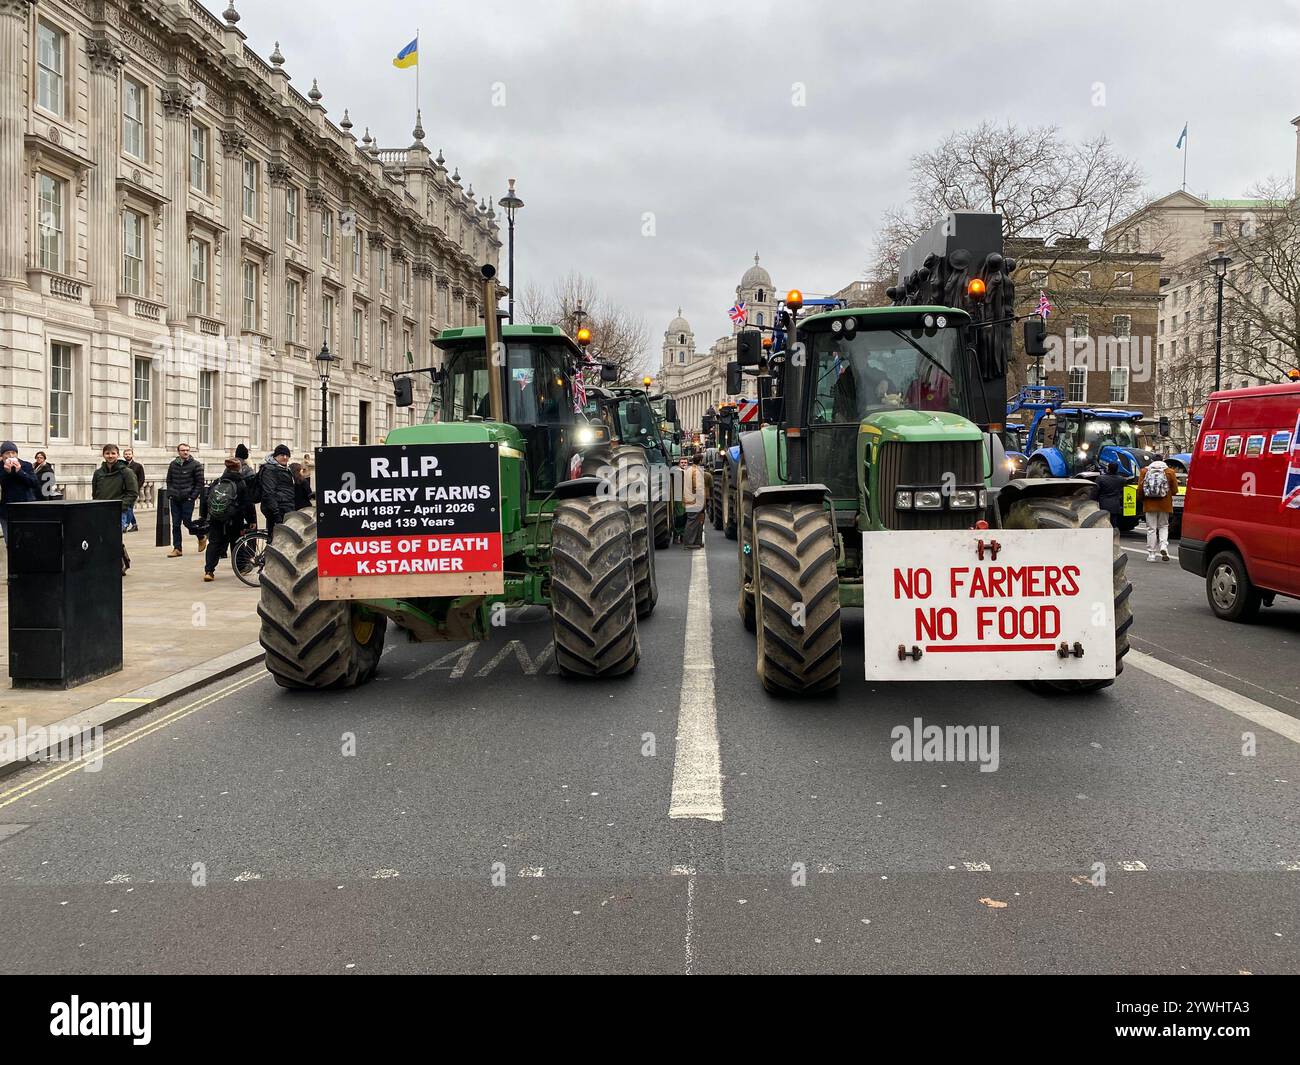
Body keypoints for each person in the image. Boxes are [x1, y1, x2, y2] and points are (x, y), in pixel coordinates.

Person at [92, 443, 139, 576]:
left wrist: (121, 506)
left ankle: (119, 564)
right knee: (103, 538)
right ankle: (116, 562)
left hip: (118, 510)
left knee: (114, 538)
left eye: (113, 453)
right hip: (101, 509)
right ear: (103, 455)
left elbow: (132, 493)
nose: (110, 456)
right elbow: (95, 492)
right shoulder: (98, 473)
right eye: (107, 453)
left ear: (118, 455)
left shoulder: (126, 472)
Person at [202, 458, 251, 582]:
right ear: (238, 468)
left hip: (216, 518)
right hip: (234, 519)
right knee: (237, 542)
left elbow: (207, 499)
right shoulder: (241, 482)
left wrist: (205, 516)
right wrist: (251, 520)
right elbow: (247, 504)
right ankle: (241, 567)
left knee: (214, 544)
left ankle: (209, 571)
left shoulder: (218, 481)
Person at [165, 443, 206, 557]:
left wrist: (192, 496)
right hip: (175, 498)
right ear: (178, 451)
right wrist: (170, 493)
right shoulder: (173, 464)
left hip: (187, 498)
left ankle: (201, 535)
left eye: (187, 450)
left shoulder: (196, 465)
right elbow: (169, 480)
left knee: (187, 521)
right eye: (183, 450)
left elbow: (200, 483)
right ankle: (177, 548)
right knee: (176, 524)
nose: (185, 452)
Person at [1138, 452, 1180, 562]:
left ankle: (1151, 554)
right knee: (1163, 526)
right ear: (1163, 461)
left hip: (1149, 504)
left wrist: (1142, 499)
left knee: (1151, 529)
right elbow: (1175, 490)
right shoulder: (1170, 472)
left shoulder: (1144, 471)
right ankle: (1163, 546)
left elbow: (1140, 489)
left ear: (1152, 461)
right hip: (1164, 504)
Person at [0, 440, 39, 543]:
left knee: (25, 541)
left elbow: (34, 483)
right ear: (2, 455)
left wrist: (20, 472)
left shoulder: (26, 465)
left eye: (13, 453)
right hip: (6, 510)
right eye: (7, 453)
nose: (10, 455)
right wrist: (6, 472)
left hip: (24, 508)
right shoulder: (1, 467)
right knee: (10, 542)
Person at [258, 444, 296, 538]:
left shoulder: (284, 468)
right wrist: (276, 513)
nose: (285, 457)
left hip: (285, 507)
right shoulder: (270, 469)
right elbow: (268, 493)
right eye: (282, 455)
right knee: (278, 537)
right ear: (275, 456)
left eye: (287, 455)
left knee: (281, 537)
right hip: (277, 509)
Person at [680, 456, 708, 549]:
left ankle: (696, 542)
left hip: (690, 499)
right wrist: (702, 498)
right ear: (700, 461)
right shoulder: (696, 471)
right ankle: (689, 543)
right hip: (694, 500)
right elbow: (698, 487)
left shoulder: (689, 470)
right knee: (692, 521)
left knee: (697, 521)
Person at [1094, 461, 1129, 528]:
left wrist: (1092, 501)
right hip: (1115, 505)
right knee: (1113, 524)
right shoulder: (1122, 479)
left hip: (1103, 505)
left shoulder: (1100, 478)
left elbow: (1095, 491)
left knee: (1103, 523)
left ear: (1108, 468)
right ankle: (1112, 536)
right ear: (1117, 469)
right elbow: (1123, 491)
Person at [121, 447, 145, 531]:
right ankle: (134, 524)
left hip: (133, 491)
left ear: (132, 455)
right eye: (126, 454)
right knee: (127, 508)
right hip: (123, 490)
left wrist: (136, 489)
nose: (127, 455)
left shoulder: (138, 466)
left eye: (129, 454)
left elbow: (141, 479)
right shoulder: (121, 465)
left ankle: (125, 525)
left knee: (128, 508)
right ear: (123, 455)